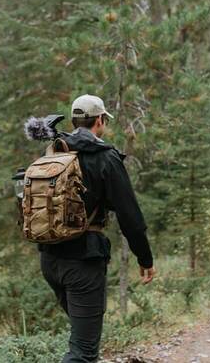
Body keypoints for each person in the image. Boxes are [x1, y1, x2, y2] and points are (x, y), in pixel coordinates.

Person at [40, 94, 156, 363]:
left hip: (50, 260)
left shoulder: (54, 151)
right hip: (83, 262)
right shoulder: (105, 157)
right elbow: (130, 217)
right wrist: (145, 258)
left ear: (74, 120)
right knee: (83, 352)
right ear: (100, 121)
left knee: (83, 340)